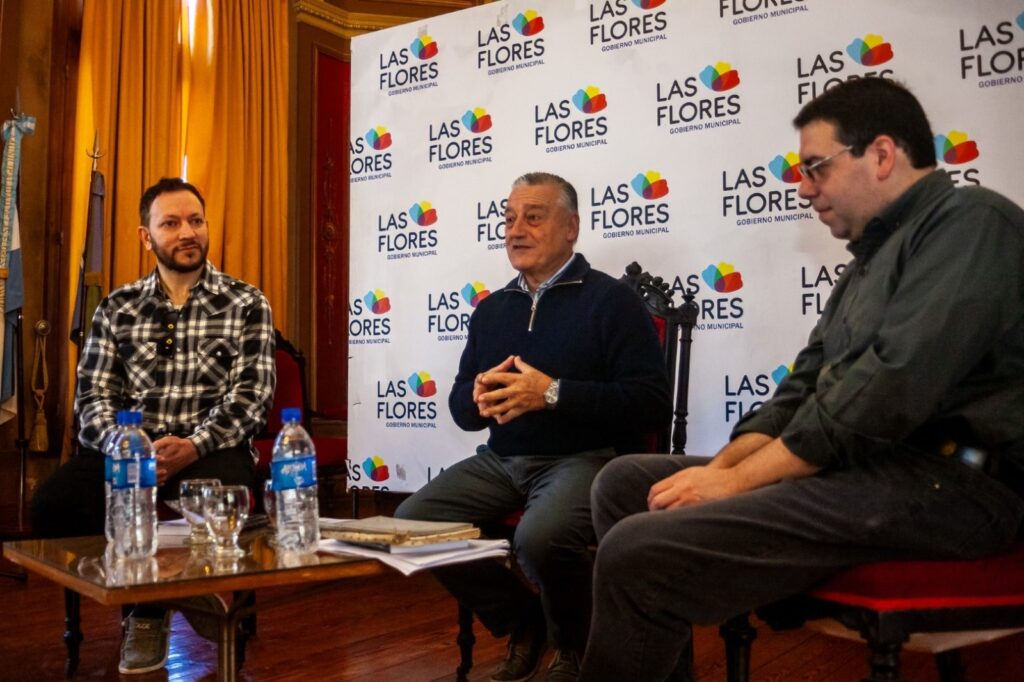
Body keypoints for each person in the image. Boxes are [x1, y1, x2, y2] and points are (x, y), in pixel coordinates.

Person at [580, 77, 1024, 681]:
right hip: (875, 473)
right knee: (626, 483)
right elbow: (803, 388)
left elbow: (881, 396)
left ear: (883, 154)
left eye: (816, 167)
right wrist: (719, 471)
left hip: (958, 488)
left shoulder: (973, 225)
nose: (803, 187)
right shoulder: (868, 259)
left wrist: (734, 485)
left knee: (638, 551)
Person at [395, 172, 672, 681]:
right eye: (509, 218)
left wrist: (551, 393)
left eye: (533, 217)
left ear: (571, 227)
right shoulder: (492, 309)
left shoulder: (611, 302)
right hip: (501, 461)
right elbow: (460, 408)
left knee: (539, 537)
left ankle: (574, 646)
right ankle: (525, 620)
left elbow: (650, 403)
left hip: (585, 457)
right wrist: (477, 396)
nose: (515, 229)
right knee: (412, 523)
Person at [31, 177, 276, 674]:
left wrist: (192, 445)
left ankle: (147, 612)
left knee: (224, 491)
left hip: (210, 450)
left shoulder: (246, 302)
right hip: (129, 451)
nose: (188, 232)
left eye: (196, 221)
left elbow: (252, 399)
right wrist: (131, 451)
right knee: (51, 507)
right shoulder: (117, 308)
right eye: (171, 223)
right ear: (146, 237)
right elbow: (93, 399)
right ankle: (180, 592)